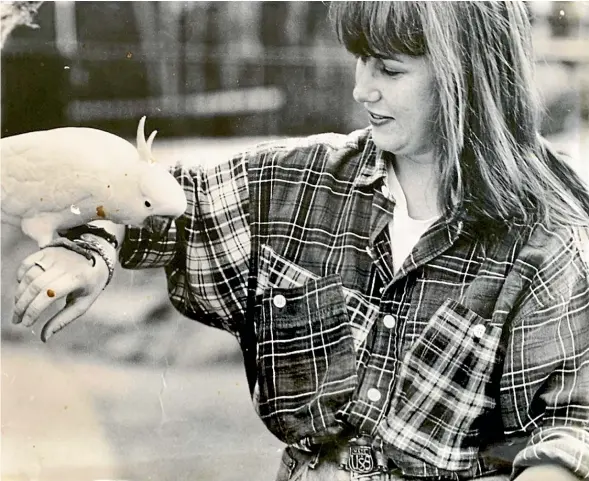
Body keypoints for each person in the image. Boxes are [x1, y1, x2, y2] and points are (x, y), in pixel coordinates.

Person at [11, 2, 589, 480]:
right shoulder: (299, 182)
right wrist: (89, 251)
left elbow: (569, 425)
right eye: (360, 61)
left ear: (470, 75)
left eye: (389, 70)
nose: (362, 89)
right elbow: (155, 201)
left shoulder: (546, 233)